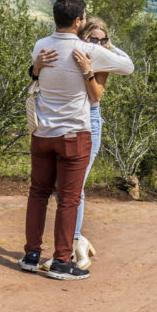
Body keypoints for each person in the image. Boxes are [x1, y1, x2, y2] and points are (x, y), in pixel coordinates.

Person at [19, 0, 134, 281]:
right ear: (79, 20)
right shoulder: (88, 51)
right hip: (73, 134)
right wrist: (107, 45)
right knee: (69, 199)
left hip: (42, 133)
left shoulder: (40, 47)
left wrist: (36, 65)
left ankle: (31, 255)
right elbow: (128, 66)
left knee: (38, 193)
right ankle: (61, 261)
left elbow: (36, 76)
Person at [32, 16, 123, 270]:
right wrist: (37, 67)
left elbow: (95, 96)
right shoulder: (65, 52)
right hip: (65, 123)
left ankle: (72, 244)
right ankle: (75, 241)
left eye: (103, 40)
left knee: (74, 186)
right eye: (93, 39)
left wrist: (88, 70)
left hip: (88, 121)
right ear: (82, 37)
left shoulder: (100, 60)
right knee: (65, 188)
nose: (98, 43)